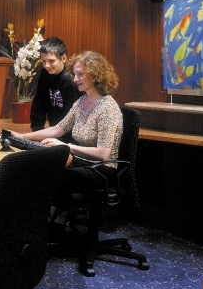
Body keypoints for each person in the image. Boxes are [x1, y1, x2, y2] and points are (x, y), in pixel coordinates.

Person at [10, 50, 123, 197]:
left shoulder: (107, 108)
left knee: (46, 180)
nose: (75, 79)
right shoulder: (82, 102)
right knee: (35, 172)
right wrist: (22, 137)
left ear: (96, 75)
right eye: (74, 75)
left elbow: (103, 154)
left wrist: (66, 146)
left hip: (102, 170)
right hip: (82, 163)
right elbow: (58, 129)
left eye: (80, 74)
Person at [30, 37, 79, 136]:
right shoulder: (44, 73)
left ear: (64, 58)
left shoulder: (69, 80)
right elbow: (39, 103)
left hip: (70, 135)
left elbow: (72, 118)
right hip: (55, 132)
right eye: (44, 61)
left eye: (51, 61)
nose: (47, 65)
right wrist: (38, 130)